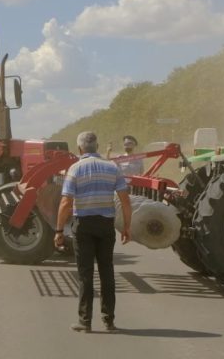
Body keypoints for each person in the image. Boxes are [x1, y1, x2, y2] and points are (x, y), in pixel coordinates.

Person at [55, 131, 132, 333]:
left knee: (85, 274)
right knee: (107, 273)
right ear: (97, 147)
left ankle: (85, 321)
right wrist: (126, 227)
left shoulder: (75, 168)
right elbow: (125, 200)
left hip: (84, 226)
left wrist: (58, 230)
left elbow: (66, 202)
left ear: (80, 149)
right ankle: (109, 321)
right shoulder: (112, 167)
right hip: (106, 225)